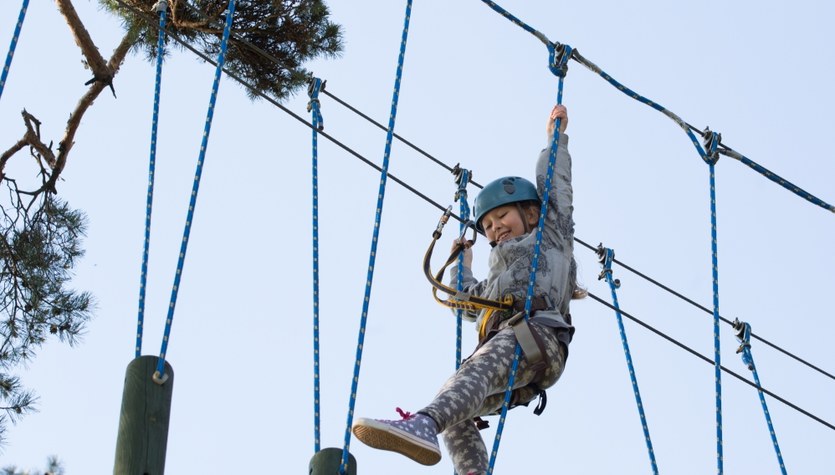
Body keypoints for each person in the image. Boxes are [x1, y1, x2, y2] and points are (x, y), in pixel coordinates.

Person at [352, 105, 582, 475]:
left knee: (462, 385)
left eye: (503, 216)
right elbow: (464, 299)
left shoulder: (549, 238)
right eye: (488, 225)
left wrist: (555, 141)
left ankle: (423, 423)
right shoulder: (495, 283)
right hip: (517, 364)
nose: (495, 228)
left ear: (532, 214)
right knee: (457, 405)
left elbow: (556, 189)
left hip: (536, 339)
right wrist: (463, 258)